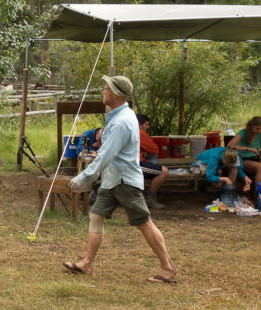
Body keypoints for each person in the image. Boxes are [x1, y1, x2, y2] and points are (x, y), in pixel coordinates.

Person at [62, 75, 178, 284]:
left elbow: (106, 154)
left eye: (106, 88)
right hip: (112, 180)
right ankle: (87, 263)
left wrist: (85, 177)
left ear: (117, 94)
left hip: (124, 182)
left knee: (144, 223)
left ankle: (168, 267)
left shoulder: (122, 121)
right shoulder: (120, 115)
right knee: (96, 216)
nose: (103, 91)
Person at [227, 116, 261, 195]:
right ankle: (259, 195)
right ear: (251, 126)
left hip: (256, 158)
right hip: (243, 159)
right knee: (260, 167)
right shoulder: (243, 132)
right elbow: (230, 146)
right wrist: (248, 149)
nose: (259, 131)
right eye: (257, 128)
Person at [137, 114, 169, 209]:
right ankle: (150, 199)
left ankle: (146, 198)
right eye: (146, 124)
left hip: (126, 164)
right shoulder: (139, 133)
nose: (148, 127)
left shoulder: (127, 131)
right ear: (139, 124)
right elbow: (154, 150)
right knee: (164, 171)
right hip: (134, 164)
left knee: (156, 169)